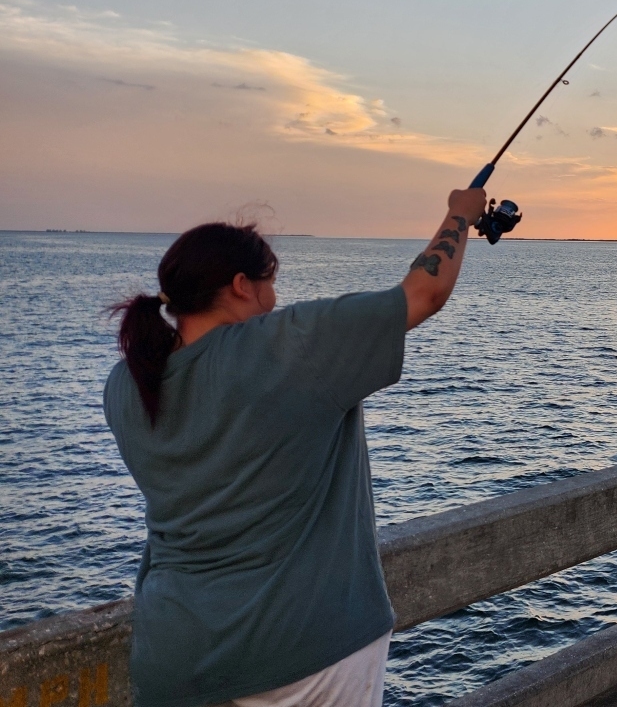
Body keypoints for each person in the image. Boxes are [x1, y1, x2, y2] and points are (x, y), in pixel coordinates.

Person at [104, 187, 487, 707]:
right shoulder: (288, 345)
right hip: (305, 651)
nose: (274, 300)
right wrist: (461, 214)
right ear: (241, 286)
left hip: (177, 653)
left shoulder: (126, 385)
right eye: (270, 284)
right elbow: (424, 294)